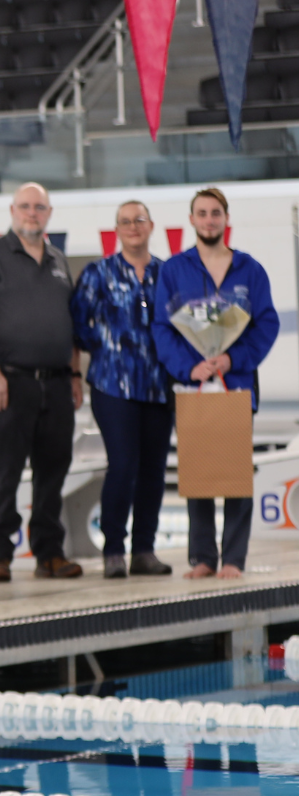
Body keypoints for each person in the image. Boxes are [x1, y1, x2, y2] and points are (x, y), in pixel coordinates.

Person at [151, 187, 280, 579]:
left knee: (236, 471)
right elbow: (162, 326)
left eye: (215, 213)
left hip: (237, 384)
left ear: (226, 220)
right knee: (199, 470)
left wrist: (231, 358)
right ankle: (203, 558)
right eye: (202, 213)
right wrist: (189, 368)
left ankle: (234, 559)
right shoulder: (174, 270)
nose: (209, 220)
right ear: (191, 220)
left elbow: (267, 323)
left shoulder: (250, 269)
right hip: (194, 387)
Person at [0, 182, 83, 583]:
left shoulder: (58, 261)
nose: (32, 213)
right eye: (25, 207)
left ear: (49, 213)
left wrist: (75, 373)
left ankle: (49, 553)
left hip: (58, 383)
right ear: (12, 211)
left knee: (53, 472)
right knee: (6, 472)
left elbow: (68, 323)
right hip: (11, 383)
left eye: (40, 207)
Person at [72, 201, 172, 579]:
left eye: (139, 220)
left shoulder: (168, 273)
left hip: (159, 385)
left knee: (153, 470)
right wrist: (110, 345)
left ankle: (144, 549)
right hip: (113, 384)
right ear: (117, 229)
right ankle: (114, 549)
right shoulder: (99, 273)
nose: (133, 226)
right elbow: (79, 324)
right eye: (126, 222)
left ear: (151, 226)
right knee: (124, 464)